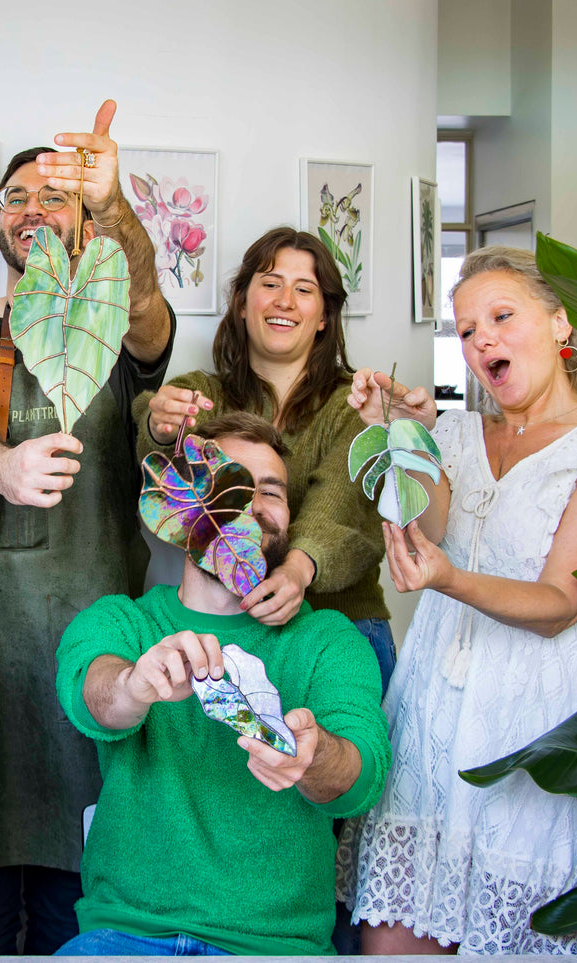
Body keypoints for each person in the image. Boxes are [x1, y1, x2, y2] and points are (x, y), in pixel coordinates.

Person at [337, 246, 577, 955]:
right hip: (435, 703)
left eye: (500, 315)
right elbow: (431, 527)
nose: (480, 337)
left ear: (558, 325)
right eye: (464, 329)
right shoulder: (457, 432)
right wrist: (396, 434)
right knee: (392, 936)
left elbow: (560, 601)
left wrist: (446, 579)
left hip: (541, 712)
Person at [0, 100, 174, 954]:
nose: (31, 211)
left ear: (84, 218)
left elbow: (146, 306)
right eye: (15, 197)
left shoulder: (119, 319)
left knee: (76, 879)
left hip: (92, 633)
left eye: (54, 197)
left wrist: (115, 203)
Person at [54, 411, 389, 957]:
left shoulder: (329, 639)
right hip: (125, 936)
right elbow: (92, 697)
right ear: (183, 508)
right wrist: (137, 684)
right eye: (230, 484)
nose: (252, 504)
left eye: (271, 492)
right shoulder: (122, 622)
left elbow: (361, 776)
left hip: (276, 948)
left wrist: (314, 755)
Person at [137, 227, 394, 692]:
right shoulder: (204, 392)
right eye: (271, 284)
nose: (285, 301)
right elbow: (165, 484)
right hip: (226, 633)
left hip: (346, 626)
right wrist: (157, 429)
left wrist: (299, 566)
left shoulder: (357, 403)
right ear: (241, 302)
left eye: (304, 289)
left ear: (323, 316)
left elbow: (340, 500)